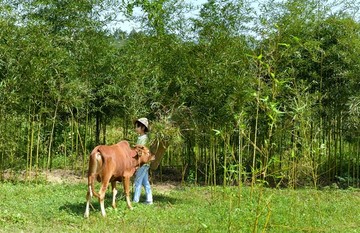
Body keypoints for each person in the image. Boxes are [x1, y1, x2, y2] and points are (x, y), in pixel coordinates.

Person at [133, 117, 153, 204]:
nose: (136, 128)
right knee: (145, 182)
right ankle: (149, 200)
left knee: (137, 182)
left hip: (143, 163)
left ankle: (135, 200)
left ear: (143, 128)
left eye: (138, 127)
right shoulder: (140, 137)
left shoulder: (144, 138)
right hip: (144, 164)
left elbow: (142, 151)